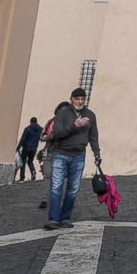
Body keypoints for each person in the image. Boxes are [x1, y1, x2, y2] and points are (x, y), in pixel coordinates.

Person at [44, 87, 102, 231]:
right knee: (56, 187)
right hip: (60, 154)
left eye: (82, 99)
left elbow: (93, 136)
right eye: (77, 99)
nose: (80, 101)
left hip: (78, 155)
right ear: (71, 100)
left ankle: (65, 219)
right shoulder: (63, 114)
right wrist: (74, 126)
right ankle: (53, 220)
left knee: (73, 189)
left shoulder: (90, 115)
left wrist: (97, 154)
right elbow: (57, 133)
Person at [16, 116, 42, 182]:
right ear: (36, 122)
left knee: (23, 161)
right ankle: (33, 172)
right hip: (34, 148)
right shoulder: (40, 129)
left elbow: (23, 139)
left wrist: (18, 147)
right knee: (30, 161)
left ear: (31, 122)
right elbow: (41, 138)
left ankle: (22, 178)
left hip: (26, 147)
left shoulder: (27, 128)